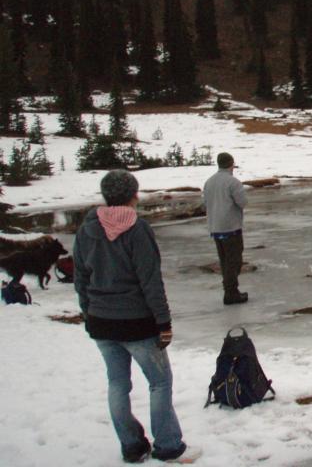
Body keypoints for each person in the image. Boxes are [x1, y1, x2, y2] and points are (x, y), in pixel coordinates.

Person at [73, 170, 195, 463]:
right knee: (160, 382)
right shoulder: (137, 229)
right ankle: (168, 446)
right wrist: (163, 322)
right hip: (137, 322)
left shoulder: (86, 229)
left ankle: (132, 445)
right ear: (133, 195)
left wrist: (89, 312)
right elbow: (150, 280)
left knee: (117, 384)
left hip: (101, 322)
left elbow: (80, 278)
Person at [203, 152, 249, 305]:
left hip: (215, 228)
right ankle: (231, 292)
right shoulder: (233, 182)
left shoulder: (209, 182)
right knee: (234, 261)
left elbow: (206, 203)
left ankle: (229, 290)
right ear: (231, 164)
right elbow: (243, 202)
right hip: (230, 228)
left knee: (224, 260)